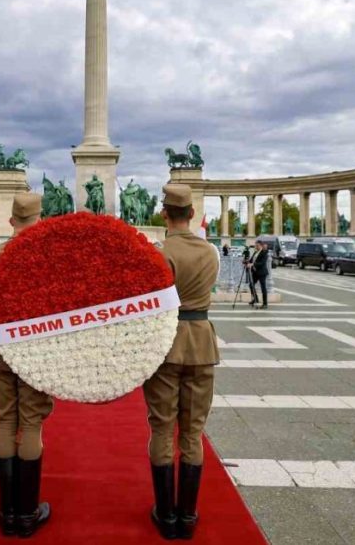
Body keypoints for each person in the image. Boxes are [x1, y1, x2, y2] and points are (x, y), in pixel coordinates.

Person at [144, 184, 220, 540]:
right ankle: (188, 517)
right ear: (191, 214)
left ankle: (166, 512)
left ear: (164, 215)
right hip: (202, 343)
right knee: (192, 430)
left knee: (162, 428)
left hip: (166, 343)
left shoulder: (158, 255)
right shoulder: (211, 253)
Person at [0, 192, 53, 537]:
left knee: (6, 420)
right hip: (35, 343)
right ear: (39, 219)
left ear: (11, 221)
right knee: (32, 422)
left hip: (2, 344)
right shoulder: (50, 257)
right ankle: (27, 512)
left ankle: (7, 511)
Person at [250, 240, 270, 309]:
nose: (256, 247)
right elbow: (251, 260)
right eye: (256, 245)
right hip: (255, 272)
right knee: (251, 285)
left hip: (262, 272)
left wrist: (253, 264)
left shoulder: (264, 253)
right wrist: (246, 262)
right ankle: (256, 299)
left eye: (257, 245)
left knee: (263, 288)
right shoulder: (255, 252)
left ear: (261, 246)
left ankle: (265, 304)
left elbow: (262, 263)